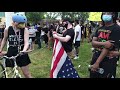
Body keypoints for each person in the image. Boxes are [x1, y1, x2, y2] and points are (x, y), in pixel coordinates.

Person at [0, 13, 32, 78]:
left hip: (22, 52)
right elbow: (4, 39)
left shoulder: (25, 30)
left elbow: (26, 42)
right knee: (12, 72)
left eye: (23, 23)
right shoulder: (7, 29)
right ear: (14, 22)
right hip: (11, 52)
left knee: (26, 74)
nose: (22, 25)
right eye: (21, 23)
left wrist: (24, 50)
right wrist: (0, 50)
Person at [90, 12, 120, 78]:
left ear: (113, 15)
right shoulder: (99, 28)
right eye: (104, 13)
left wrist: (97, 63)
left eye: (108, 13)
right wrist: (104, 43)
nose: (105, 15)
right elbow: (93, 43)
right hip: (96, 56)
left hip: (108, 60)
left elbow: (108, 47)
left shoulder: (116, 28)